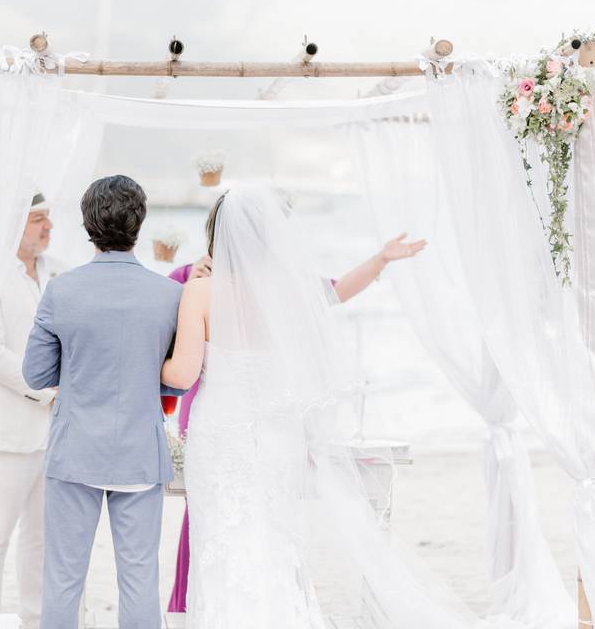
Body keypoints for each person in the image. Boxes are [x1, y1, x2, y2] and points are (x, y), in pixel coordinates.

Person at [162, 185, 481, 628]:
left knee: (221, 540)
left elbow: (181, 375)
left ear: (215, 235)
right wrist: (380, 259)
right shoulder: (287, 295)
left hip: (220, 435)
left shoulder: (198, 292)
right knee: (276, 541)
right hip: (276, 437)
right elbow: (331, 297)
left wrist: (148, 366)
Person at [22, 175, 184, 629]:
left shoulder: (62, 290)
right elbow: (177, 381)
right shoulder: (170, 294)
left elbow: (34, 374)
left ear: (87, 224)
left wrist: (78, 373)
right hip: (138, 453)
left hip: (74, 454)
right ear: (140, 223)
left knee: (63, 580)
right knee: (139, 579)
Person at [0, 193, 62, 629]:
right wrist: (45, 392)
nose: (47, 227)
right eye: (37, 219)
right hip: (2, 431)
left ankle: (36, 620)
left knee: (41, 539)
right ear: (12, 223)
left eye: (48, 219)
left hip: (52, 433)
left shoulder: (56, 273)